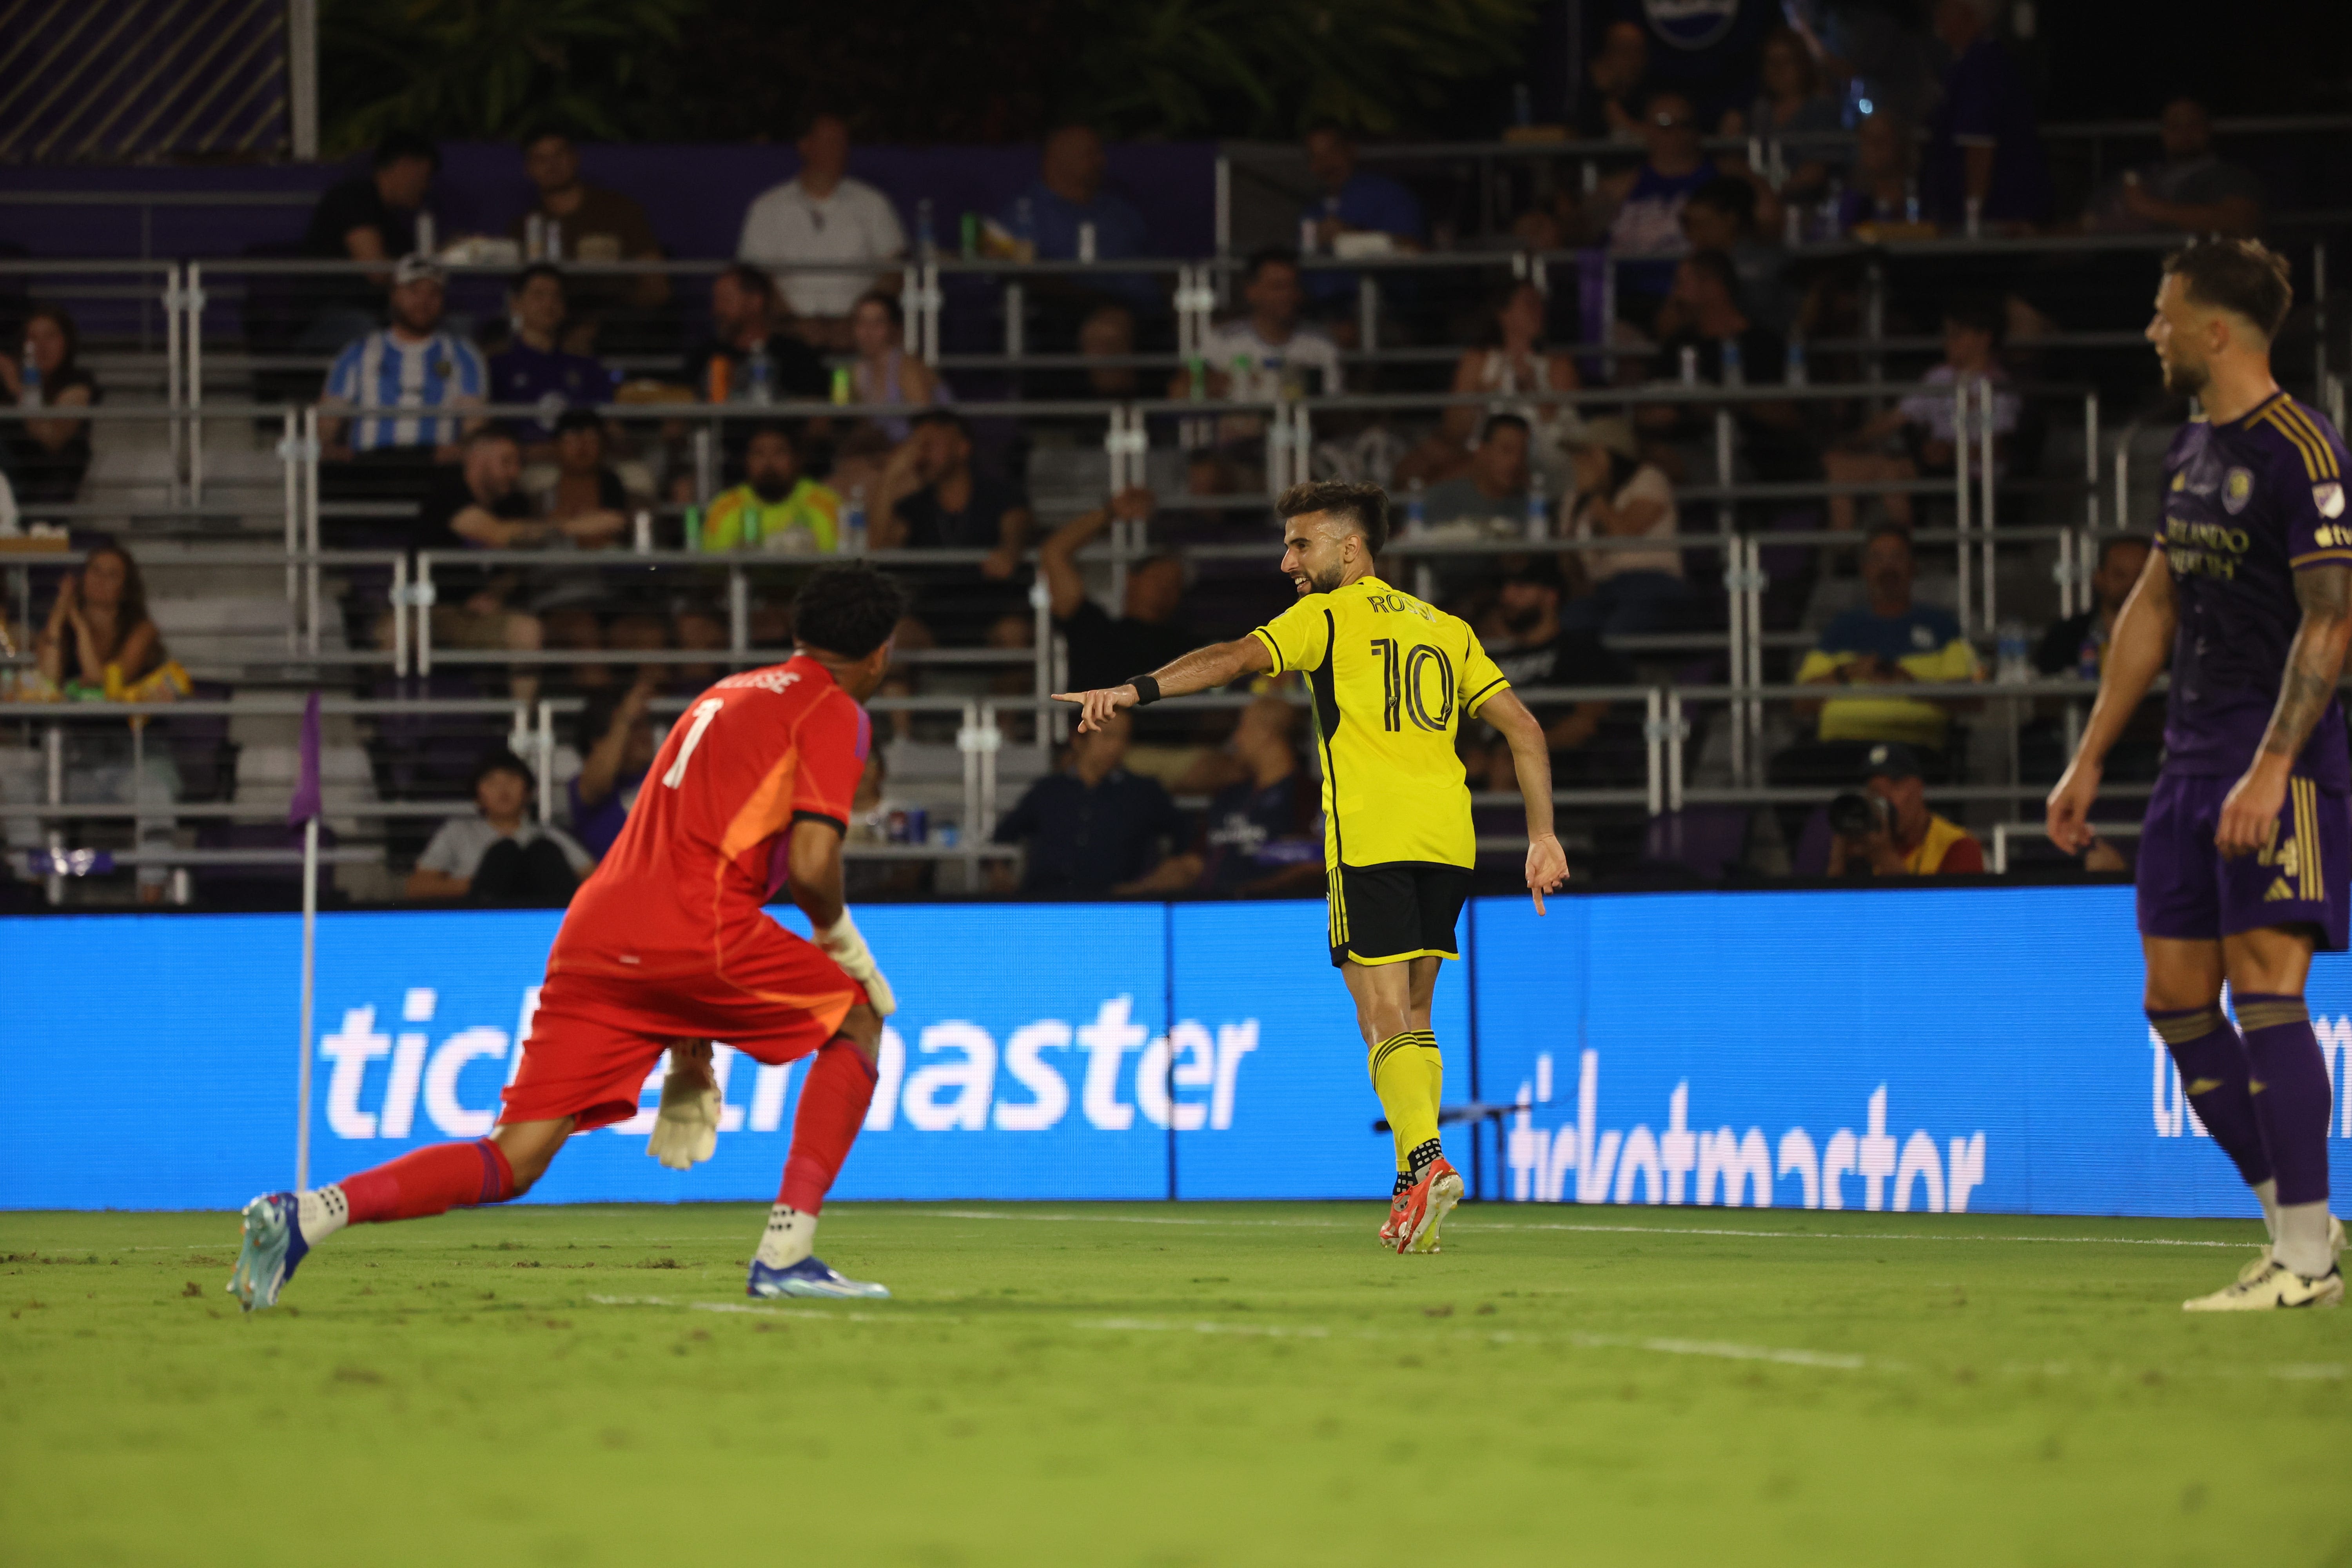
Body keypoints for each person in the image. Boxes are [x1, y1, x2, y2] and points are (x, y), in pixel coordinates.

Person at [230, 566, 915, 1310]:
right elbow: (812, 869)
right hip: (697, 929)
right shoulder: (836, 711)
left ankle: (307, 1214)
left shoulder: (721, 696)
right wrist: (846, 947)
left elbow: (688, 848)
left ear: (797, 634)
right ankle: (787, 1251)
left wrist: (691, 1053)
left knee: (513, 1158)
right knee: (856, 1017)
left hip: (596, 932)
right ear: (880, 654)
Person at [1052, 480, 1567, 1255]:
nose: (1287, 559)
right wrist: (1542, 835)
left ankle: (1425, 1161)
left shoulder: (1329, 616)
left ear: (1349, 547)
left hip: (1370, 832)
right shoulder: (1448, 628)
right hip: (1448, 838)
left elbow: (1231, 658)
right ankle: (1410, 1185)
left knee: (1379, 1013)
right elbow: (1524, 728)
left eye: (1301, 543)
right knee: (1413, 1017)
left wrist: (1135, 690)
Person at [2047, 240, 2351, 1309]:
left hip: (2281, 766)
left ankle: (2310, 1261)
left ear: (2216, 330)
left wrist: (2273, 767)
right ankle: (2296, 1226)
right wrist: (2091, 757)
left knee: (2268, 988)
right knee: (2177, 1003)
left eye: (2165, 314)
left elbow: (2333, 616)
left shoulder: (2302, 453)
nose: (2153, 331)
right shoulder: (2189, 449)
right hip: (2184, 765)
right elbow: (2155, 608)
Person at [7, 542, 183, 900]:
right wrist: (60, 614)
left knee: (155, 795)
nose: (101, 580)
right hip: (73, 762)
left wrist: (81, 627)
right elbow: (48, 678)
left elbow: (104, 684)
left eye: (112, 574)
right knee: (14, 784)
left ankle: (151, 899)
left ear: (126, 587)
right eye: (94, 571)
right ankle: (33, 888)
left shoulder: (141, 631)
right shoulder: (64, 628)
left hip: (131, 762)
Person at [1786, 523, 1982, 769]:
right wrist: (1847, 673)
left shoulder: (1943, 628)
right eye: (1878, 558)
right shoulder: (1840, 630)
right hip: (1842, 750)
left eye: (1897, 557)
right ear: (1865, 569)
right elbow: (1800, 703)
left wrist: (1910, 684)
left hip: (1913, 751)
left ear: (1913, 567)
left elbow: (1974, 699)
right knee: (1786, 766)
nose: (1887, 567)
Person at [1822, 292, 2018, 531]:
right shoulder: (1940, 377)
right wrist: (1852, 442)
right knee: (1839, 466)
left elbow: (2003, 446)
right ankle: (1843, 555)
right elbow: (1895, 418)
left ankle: (1903, 550)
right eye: (1946, 334)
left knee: (1893, 474)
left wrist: (1954, 451)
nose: (1948, 342)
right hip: (1932, 465)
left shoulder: (2000, 386)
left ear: (1984, 338)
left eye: (1957, 335)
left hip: (1976, 474)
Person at [1123, 696, 1326, 898]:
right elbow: (1196, 861)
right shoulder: (1229, 795)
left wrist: (1251, 893)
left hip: (1276, 917)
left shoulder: (1309, 796)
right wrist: (1136, 892)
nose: (1237, 738)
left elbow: (1316, 865)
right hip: (1211, 915)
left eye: (1243, 728)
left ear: (1266, 734)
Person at [736, 112, 907, 348]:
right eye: (830, 142)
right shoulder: (767, 208)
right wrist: (796, 324)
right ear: (805, 147)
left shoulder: (873, 204)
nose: (839, 150)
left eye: (842, 143)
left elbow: (895, 269)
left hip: (859, 339)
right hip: (787, 338)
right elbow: (755, 277)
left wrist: (857, 321)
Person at [989, 709, 1186, 895]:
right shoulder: (1048, 790)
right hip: (1046, 904)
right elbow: (1003, 836)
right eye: (1108, 736)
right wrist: (1000, 873)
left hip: (1117, 907)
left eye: (1124, 738)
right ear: (1078, 739)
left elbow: (1186, 838)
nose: (1117, 746)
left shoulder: (1144, 792)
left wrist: (1150, 884)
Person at [1404, 281, 1579, 488]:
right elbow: (1455, 430)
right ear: (1504, 314)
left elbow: (1565, 427)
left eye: (1541, 305)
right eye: (1530, 304)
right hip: (1484, 450)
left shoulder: (1559, 366)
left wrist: (1533, 389)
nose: (1538, 311)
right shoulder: (1478, 361)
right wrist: (1479, 397)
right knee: (1413, 466)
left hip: (1537, 452)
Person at [1476, 559, 1630, 793]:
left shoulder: (1580, 650)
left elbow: (1587, 722)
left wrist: (1524, 747)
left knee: (1508, 764)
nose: (1507, 596)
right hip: (1492, 759)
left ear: (1550, 596)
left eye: (1520, 588)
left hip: (1559, 768)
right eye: (1504, 588)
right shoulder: (1491, 656)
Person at [320, 256, 486, 465]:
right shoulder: (358, 353)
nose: (424, 301)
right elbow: (327, 424)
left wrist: (462, 450)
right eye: (414, 291)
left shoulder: (463, 355)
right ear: (394, 295)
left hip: (436, 468)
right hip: (371, 466)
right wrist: (331, 451)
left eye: (433, 293)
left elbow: (476, 427)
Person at [1037, 486, 1198, 696]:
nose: (1164, 588)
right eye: (1158, 578)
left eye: (1174, 584)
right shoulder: (1092, 627)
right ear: (1132, 579)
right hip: (1093, 725)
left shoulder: (1186, 648)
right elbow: (1054, 553)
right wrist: (1110, 513)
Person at [506, 130, 669, 331]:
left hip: (617, 323)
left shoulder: (619, 209)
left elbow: (657, 285)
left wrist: (603, 323)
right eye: (541, 159)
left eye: (559, 155)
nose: (552, 166)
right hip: (552, 323)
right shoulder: (524, 226)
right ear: (528, 169)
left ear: (575, 158)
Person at [1919, 0, 2052, 232]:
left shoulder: (1981, 66)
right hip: (1984, 214)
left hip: (1997, 218)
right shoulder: (1968, 63)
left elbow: (1979, 147)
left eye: (1946, 8)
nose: (1938, 15)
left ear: (1968, 15)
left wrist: (1973, 217)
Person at [996, 125, 1152, 318]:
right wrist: (1097, 301)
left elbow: (1154, 265)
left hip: (1147, 315)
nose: (1101, 161)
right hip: (1069, 319)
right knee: (1108, 329)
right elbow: (1025, 273)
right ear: (1057, 160)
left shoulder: (1120, 211)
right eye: (1090, 155)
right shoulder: (1025, 213)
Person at [298, 131, 438, 344]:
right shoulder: (354, 198)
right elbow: (377, 271)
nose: (426, 187)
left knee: (454, 327)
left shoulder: (397, 228)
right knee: (369, 335)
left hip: (382, 317)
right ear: (406, 166)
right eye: (425, 176)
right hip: (331, 318)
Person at [406, 749, 592, 906]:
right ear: (477, 795)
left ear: (528, 791)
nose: (503, 789)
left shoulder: (549, 836)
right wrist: (482, 883)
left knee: (542, 851)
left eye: (512, 779)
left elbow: (595, 880)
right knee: (504, 854)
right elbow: (417, 887)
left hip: (539, 923)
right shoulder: (457, 832)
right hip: (480, 920)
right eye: (492, 781)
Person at [1590, 91, 1714, 322]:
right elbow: (1578, 233)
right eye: (1665, 124)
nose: (1676, 134)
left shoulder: (1719, 181)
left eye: (1685, 124)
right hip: (1627, 302)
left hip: (1696, 301)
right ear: (1647, 129)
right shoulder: (1618, 189)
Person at [1561, 417, 1688, 635]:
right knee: (1573, 624)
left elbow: (1623, 532)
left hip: (1652, 583)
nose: (1579, 461)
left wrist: (1595, 493)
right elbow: (1568, 557)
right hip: (1602, 590)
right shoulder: (1575, 498)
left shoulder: (1649, 479)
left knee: (1617, 631)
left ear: (1609, 455)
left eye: (1587, 453)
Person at [2084, 98, 2263, 239]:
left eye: (2193, 124)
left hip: (2192, 272)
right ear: (2164, 133)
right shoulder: (2147, 175)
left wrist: (2147, 207)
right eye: (2175, 126)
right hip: (2112, 265)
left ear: (2208, 128)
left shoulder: (2228, 175)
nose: (2185, 133)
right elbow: (2089, 223)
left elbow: (2240, 222)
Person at [1300, 125, 1426, 319]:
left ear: (1351, 151)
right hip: (1320, 316)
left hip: (1386, 312)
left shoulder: (1389, 194)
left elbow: (1414, 250)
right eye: (1315, 156)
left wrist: (1352, 236)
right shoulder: (1312, 210)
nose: (1325, 164)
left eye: (1332, 152)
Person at [488, 266, 619, 454]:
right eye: (539, 296)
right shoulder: (497, 367)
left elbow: (612, 429)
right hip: (521, 466)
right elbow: (489, 434)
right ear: (516, 304)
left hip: (583, 463)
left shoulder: (586, 367)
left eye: (556, 297)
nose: (549, 304)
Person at [1719, 26, 1844, 214]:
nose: (1778, 70)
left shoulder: (1821, 110)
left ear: (1803, 65)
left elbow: (1814, 173)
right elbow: (1730, 166)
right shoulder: (1755, 111)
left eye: (1786, 61)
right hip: (1755, 209)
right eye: (1772, 62)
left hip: (1807, 210)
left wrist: (1768, 193)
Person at [1825, 741, 1984, 875]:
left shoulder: (1958, 846)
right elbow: (1835, 910)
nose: (1884, 800)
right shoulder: (1865, 845)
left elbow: (1949, 912)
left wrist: (1885, 857)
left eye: (1893, 787)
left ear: (1918, 788)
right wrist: (1838, 862)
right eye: (1875, 792)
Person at [0, 305, 100, 507]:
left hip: (50, 485)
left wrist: (18, 388)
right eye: (33, 338)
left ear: (67, 341)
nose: (41, 346)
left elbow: (52, 440)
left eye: (51, 337)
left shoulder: (78, 383)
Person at [700, 421, 841, 554]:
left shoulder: (826, 503)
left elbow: (838, 564)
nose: (769, 463)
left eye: (779, 453)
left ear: (797, 459)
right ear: (746, 461)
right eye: (759, 453)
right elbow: (713, 569)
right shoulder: (724, 507)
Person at [1678, 178, 1792, 333]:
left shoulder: (1768, 260)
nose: (1692, 234)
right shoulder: (1695, 264)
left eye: (1702, 224)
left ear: (1731, 219)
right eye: (1687, 226)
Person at [568, 676, 659, 860]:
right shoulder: (585, 787)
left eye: (645, 725)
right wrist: (626, 717)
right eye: (634, 727)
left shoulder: (665, 780)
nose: (645, 735)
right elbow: (598, 782)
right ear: (597, 743)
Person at [1425, 413, 1534, 535]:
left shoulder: (1532, 508)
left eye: (1522, 453)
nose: (1516, 461)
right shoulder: (1442, 500)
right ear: (1482, 451)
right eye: (1507, 450)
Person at [1572, 20, 1651, 141]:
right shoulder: (1582, 100)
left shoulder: (1651, 96)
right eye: (1624, 51)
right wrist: (1603, 94)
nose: (1633, 60)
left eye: (1638, 51)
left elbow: (1653, 139)